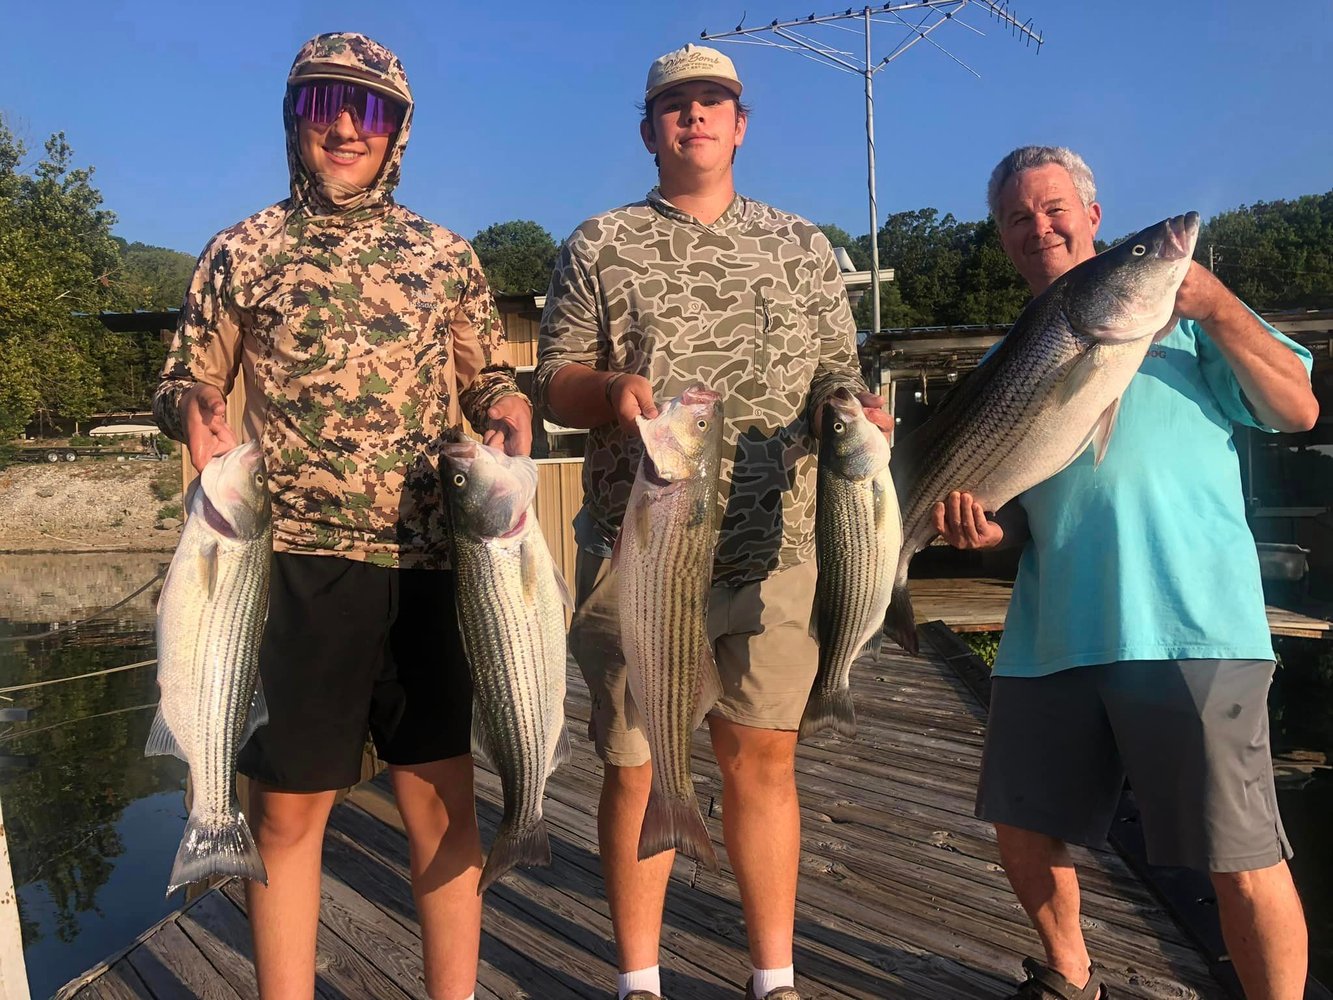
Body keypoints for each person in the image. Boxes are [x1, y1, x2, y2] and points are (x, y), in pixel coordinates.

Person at [152, 32, 531, 1000]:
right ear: (296, 119)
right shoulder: (241, 250)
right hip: (288, 564)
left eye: (369, 109)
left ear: (399, 129)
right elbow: (187, 377)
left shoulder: (446, 255)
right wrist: (192, 414)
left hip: (431, 563)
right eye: (325, 103)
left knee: (442, 805)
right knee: (283, 814)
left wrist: (505, 401)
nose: (346, 126)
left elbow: (485, 368)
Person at [534, 43, 889, 1000]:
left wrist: (855, 409)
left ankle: (773, 976)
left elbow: (834, 370)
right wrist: (609, 389)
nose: (694, 116)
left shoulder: (802, 243)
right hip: (639, 548)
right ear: (649, 130)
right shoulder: (598, 242)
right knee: (637, 764)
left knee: (763, 758)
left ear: (740, 123)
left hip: (778, 545)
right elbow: (554, 381)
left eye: (713, 101)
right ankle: (638, 980)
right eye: (675, 104)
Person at [934, 145, 1317, 1000]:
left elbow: (1297, 408)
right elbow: (1013, 531)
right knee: (1022, 825)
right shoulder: (1010, 356)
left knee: (1240, 854)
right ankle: (1070, 976)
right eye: (1018, 217)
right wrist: (979, 532)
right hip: (1052, 631)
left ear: (1093, 218)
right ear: (1002, 238)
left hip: (1193, 623)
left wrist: (1215, 303)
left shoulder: (1193, 325)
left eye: (1055, 207)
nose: (1040, 227)